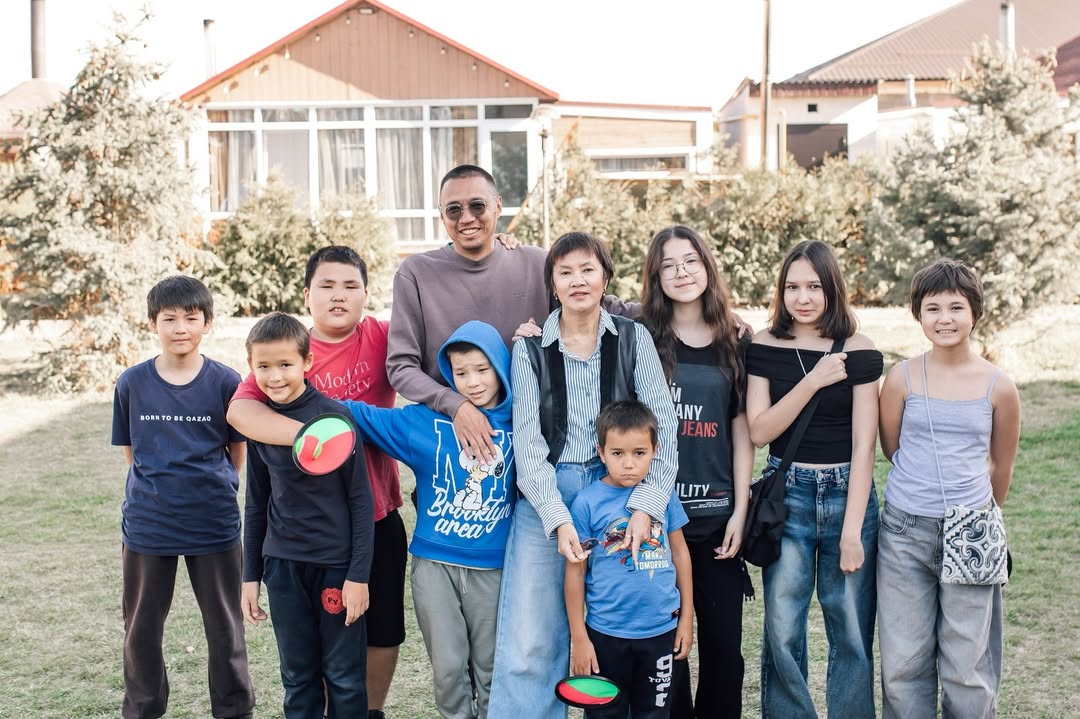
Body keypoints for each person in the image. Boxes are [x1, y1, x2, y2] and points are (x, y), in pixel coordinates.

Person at [489, 232, 678, 719]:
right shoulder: (530, 348)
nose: (578, 280)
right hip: (549, 487)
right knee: (531, 633)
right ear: (552, 283)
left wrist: (646, 505)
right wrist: (557, 518)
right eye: (565, 272)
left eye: (588, 270)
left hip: (621, 486)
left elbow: (663, 424)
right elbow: (527, 442)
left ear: (605, 278)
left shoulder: (632, 338)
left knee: (624, 613)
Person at [226, 247, 404, 719]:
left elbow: (443, 341)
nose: (338, 295)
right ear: (307, 295)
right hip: (295, 544)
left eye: (350, 286)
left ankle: (370, 712)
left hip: (369, 517)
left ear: (366, 293)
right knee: (303, 665)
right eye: (326, 285)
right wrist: (318, 438)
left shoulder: (385, 336)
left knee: (378, 634)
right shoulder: (282, 351)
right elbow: (241, 417)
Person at [386, 164, 637, 466]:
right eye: (454, 210)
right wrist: (456, 405)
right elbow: (401, 366)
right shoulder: (416, 274)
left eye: (477, 206)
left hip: (538, 444)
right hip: (454, 442)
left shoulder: (535, 263)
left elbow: (597, 305)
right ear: (442, 215)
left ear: (498, 206)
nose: (466, 218)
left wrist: (674, 302)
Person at [339, 320, 515, 719]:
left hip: (495, 569)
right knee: (449, 671)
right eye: (461, 372)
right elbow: (358, 415)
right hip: (434, 568)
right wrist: (292, 393)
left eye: (482, 369)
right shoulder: (424, 423)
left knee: (492, 669)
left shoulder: (523, 423)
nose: (472, 382)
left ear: (501, 367)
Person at [877, 259, 1020, 719]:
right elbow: (893, 447)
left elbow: (1001, 465)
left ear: (974, 311)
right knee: (903, 661)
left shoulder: (999, 386)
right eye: (933, 308)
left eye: (956, 307)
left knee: (968, 663)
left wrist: (974, 518)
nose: (945, 319)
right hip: (904, 531)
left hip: (971, 529)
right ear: (918, 314)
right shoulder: (901, 378)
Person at [745, 240, 882, 718]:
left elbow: (865, 445)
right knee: (783, 628)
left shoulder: (860, 351)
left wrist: (852, 531)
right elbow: (760, 431)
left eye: (814, 287)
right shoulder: (764, 345)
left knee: (851, 630)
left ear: (833, 289)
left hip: (849, 494)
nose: (802, 298)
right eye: (792, 287)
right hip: (788, 496)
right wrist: (814, 380)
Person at [111, 275, 255, 719]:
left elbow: (236, 452)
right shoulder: (132, 383)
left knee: (225, 627)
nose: (180, 328)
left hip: (213, 524)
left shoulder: (226, 382)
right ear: (153, 322)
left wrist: (213, 487)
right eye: (169, 318)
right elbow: (132, 453)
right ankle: (142, 709)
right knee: (141, 629)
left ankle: (234, 710)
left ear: (207, 323)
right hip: (148, 525)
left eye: (191, 318)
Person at [639, 226, 754, 718]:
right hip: (658, 519)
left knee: (725, 651)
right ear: (655, 276)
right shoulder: (640, 337)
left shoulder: (736, 340)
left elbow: (743, 430)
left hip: (717, 520)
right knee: (671, 652)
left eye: (690, 260)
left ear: (707, 266)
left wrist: (740, 511)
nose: (681, 272)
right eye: (668, 264)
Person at [240, 312, 374, 718]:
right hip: (283, 567)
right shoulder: (259, 422)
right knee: (298, 676)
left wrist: (358, 576)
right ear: (251, 367)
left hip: (335, 567)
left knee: (344, 675)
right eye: (264, 366)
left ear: (307, 362)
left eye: (285, 364)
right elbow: (256, 502)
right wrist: (250, 576)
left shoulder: (335, 419)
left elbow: (360, 501)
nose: (275, 376)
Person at [565, 400, 693, 719]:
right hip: (606, 634)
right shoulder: (586, 503)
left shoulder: (663, 495)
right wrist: (580, 637)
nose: (628, 464)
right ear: (601, 452)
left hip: (661, 631)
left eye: (639, 453)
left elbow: (680, 554)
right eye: (617, 453)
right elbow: (575, 572)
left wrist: (686, 619)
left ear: (655, 451)